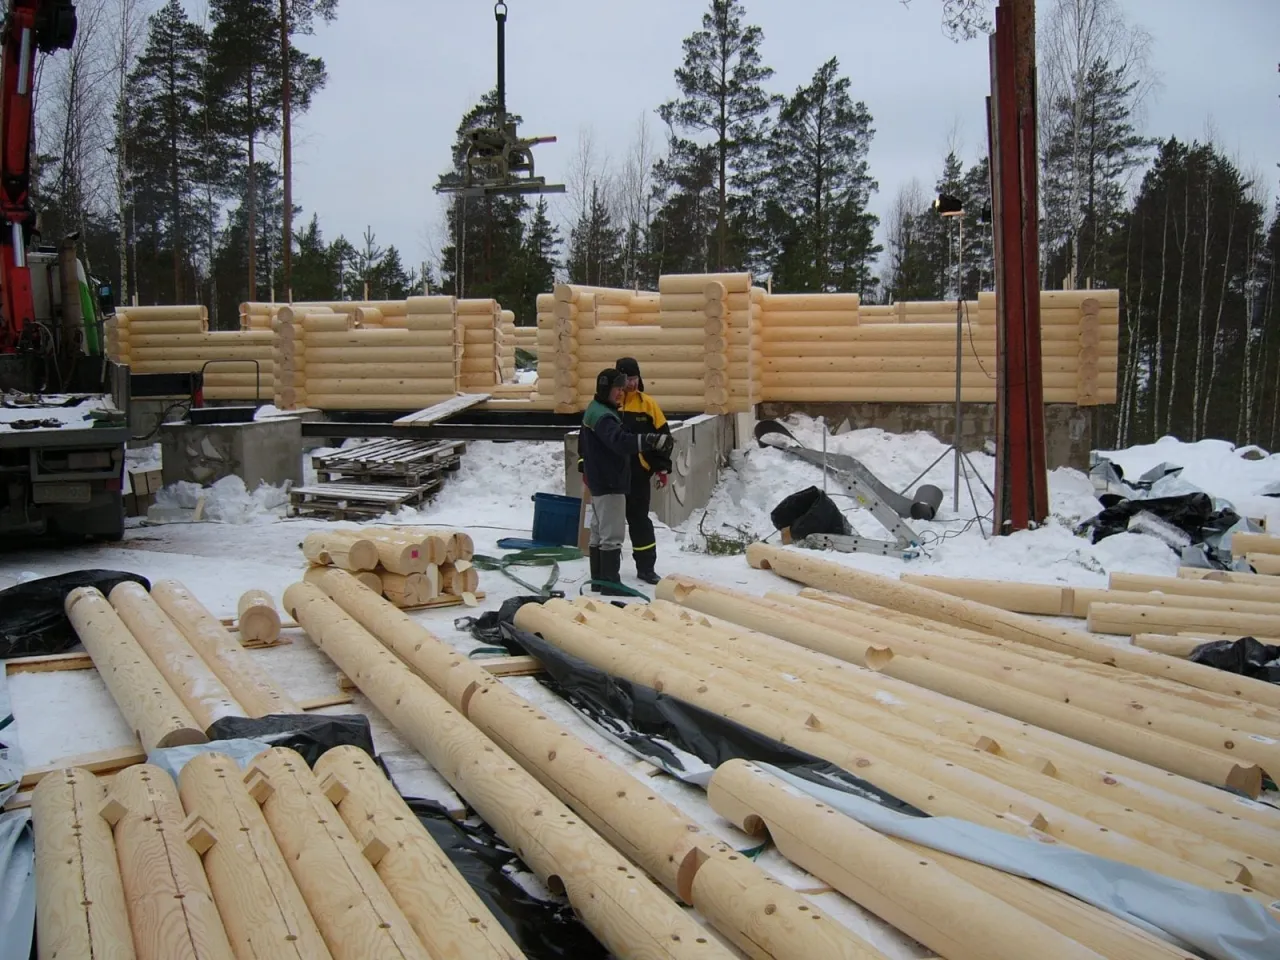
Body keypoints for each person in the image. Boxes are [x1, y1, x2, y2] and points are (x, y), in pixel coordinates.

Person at [580, 368, 673, 595]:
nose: (622, 393)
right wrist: (650, 440)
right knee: (612, 535)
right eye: (618, 389)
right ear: (606, 389)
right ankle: (611, 583)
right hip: (610, 481)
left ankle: (599, 580)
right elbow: (620, 441)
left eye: (623, 388)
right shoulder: (604, 416)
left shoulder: (596, 409)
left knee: (599, 531)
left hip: (602, 479)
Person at [614, 357, 672, 585]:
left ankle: (646, 568)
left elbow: (664, 438)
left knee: (639, 520)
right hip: (612, 474)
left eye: (635, 378)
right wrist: (584, 465)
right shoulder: (609, 404)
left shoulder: (648, 405)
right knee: (609, 523)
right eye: (627, 379)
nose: (632, 383)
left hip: (638, 473)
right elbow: (588, 438)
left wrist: (661, 467)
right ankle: (606, 571)